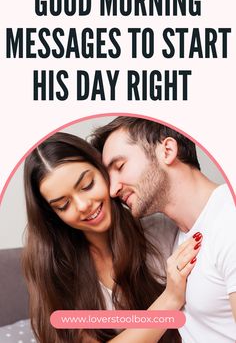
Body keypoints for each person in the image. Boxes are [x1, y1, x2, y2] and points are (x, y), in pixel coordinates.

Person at [23, 132, 201, 343]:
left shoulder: (161, 229)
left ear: (103, 171)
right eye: (63, 205)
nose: (83, 206)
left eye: (87, 185)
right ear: (52, 215)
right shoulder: (54, 265)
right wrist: (170, 300)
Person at [91, 116, 236, 343]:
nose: (112, 190)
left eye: (120, 167)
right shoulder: (172, 235)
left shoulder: (229, 221)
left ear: (167, 150)